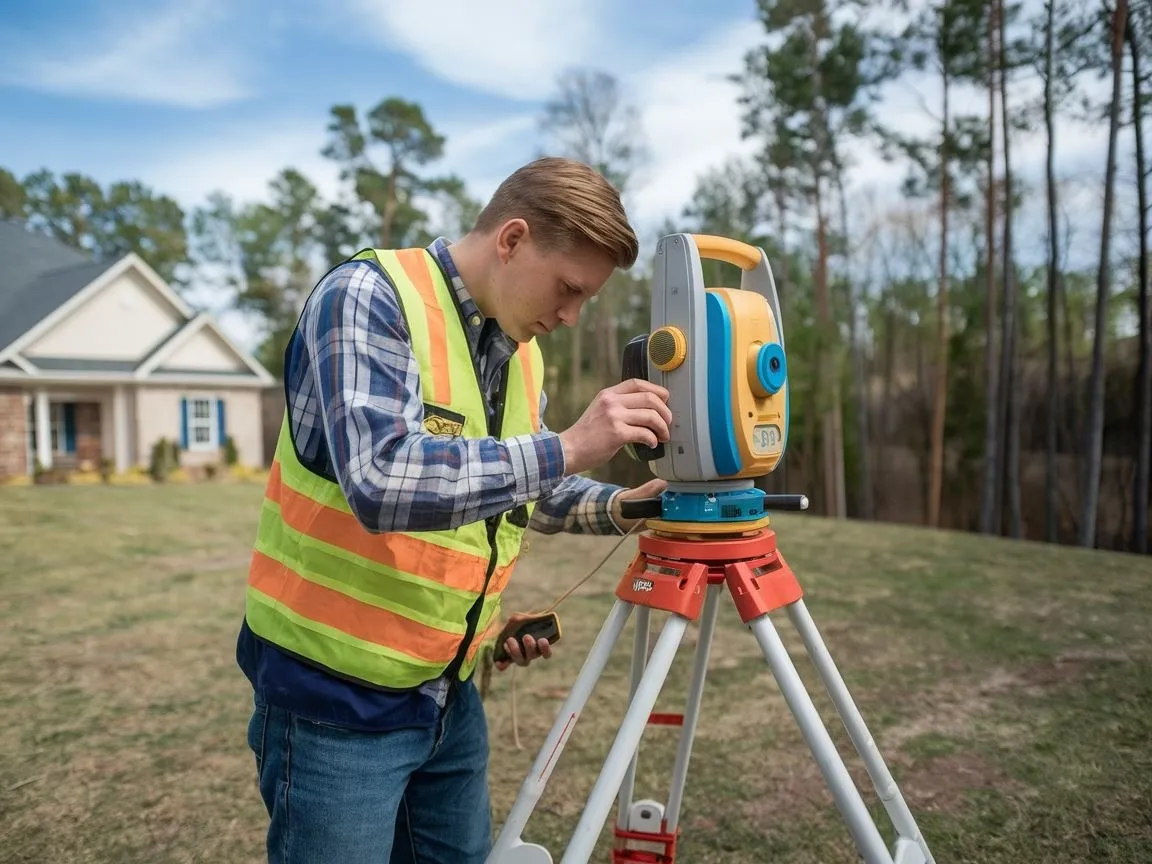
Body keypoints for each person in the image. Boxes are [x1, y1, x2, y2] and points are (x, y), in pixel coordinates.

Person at [236, 155, 673, 864]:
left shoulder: (520, 350)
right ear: (512, 239)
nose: (570, 316)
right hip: (332, 703)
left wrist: (625, 507)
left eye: (585, 300)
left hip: (448, 696)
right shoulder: (367, 296)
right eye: (568, 289)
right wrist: (569, 446)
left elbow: (521, 482)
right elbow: (383, 477)